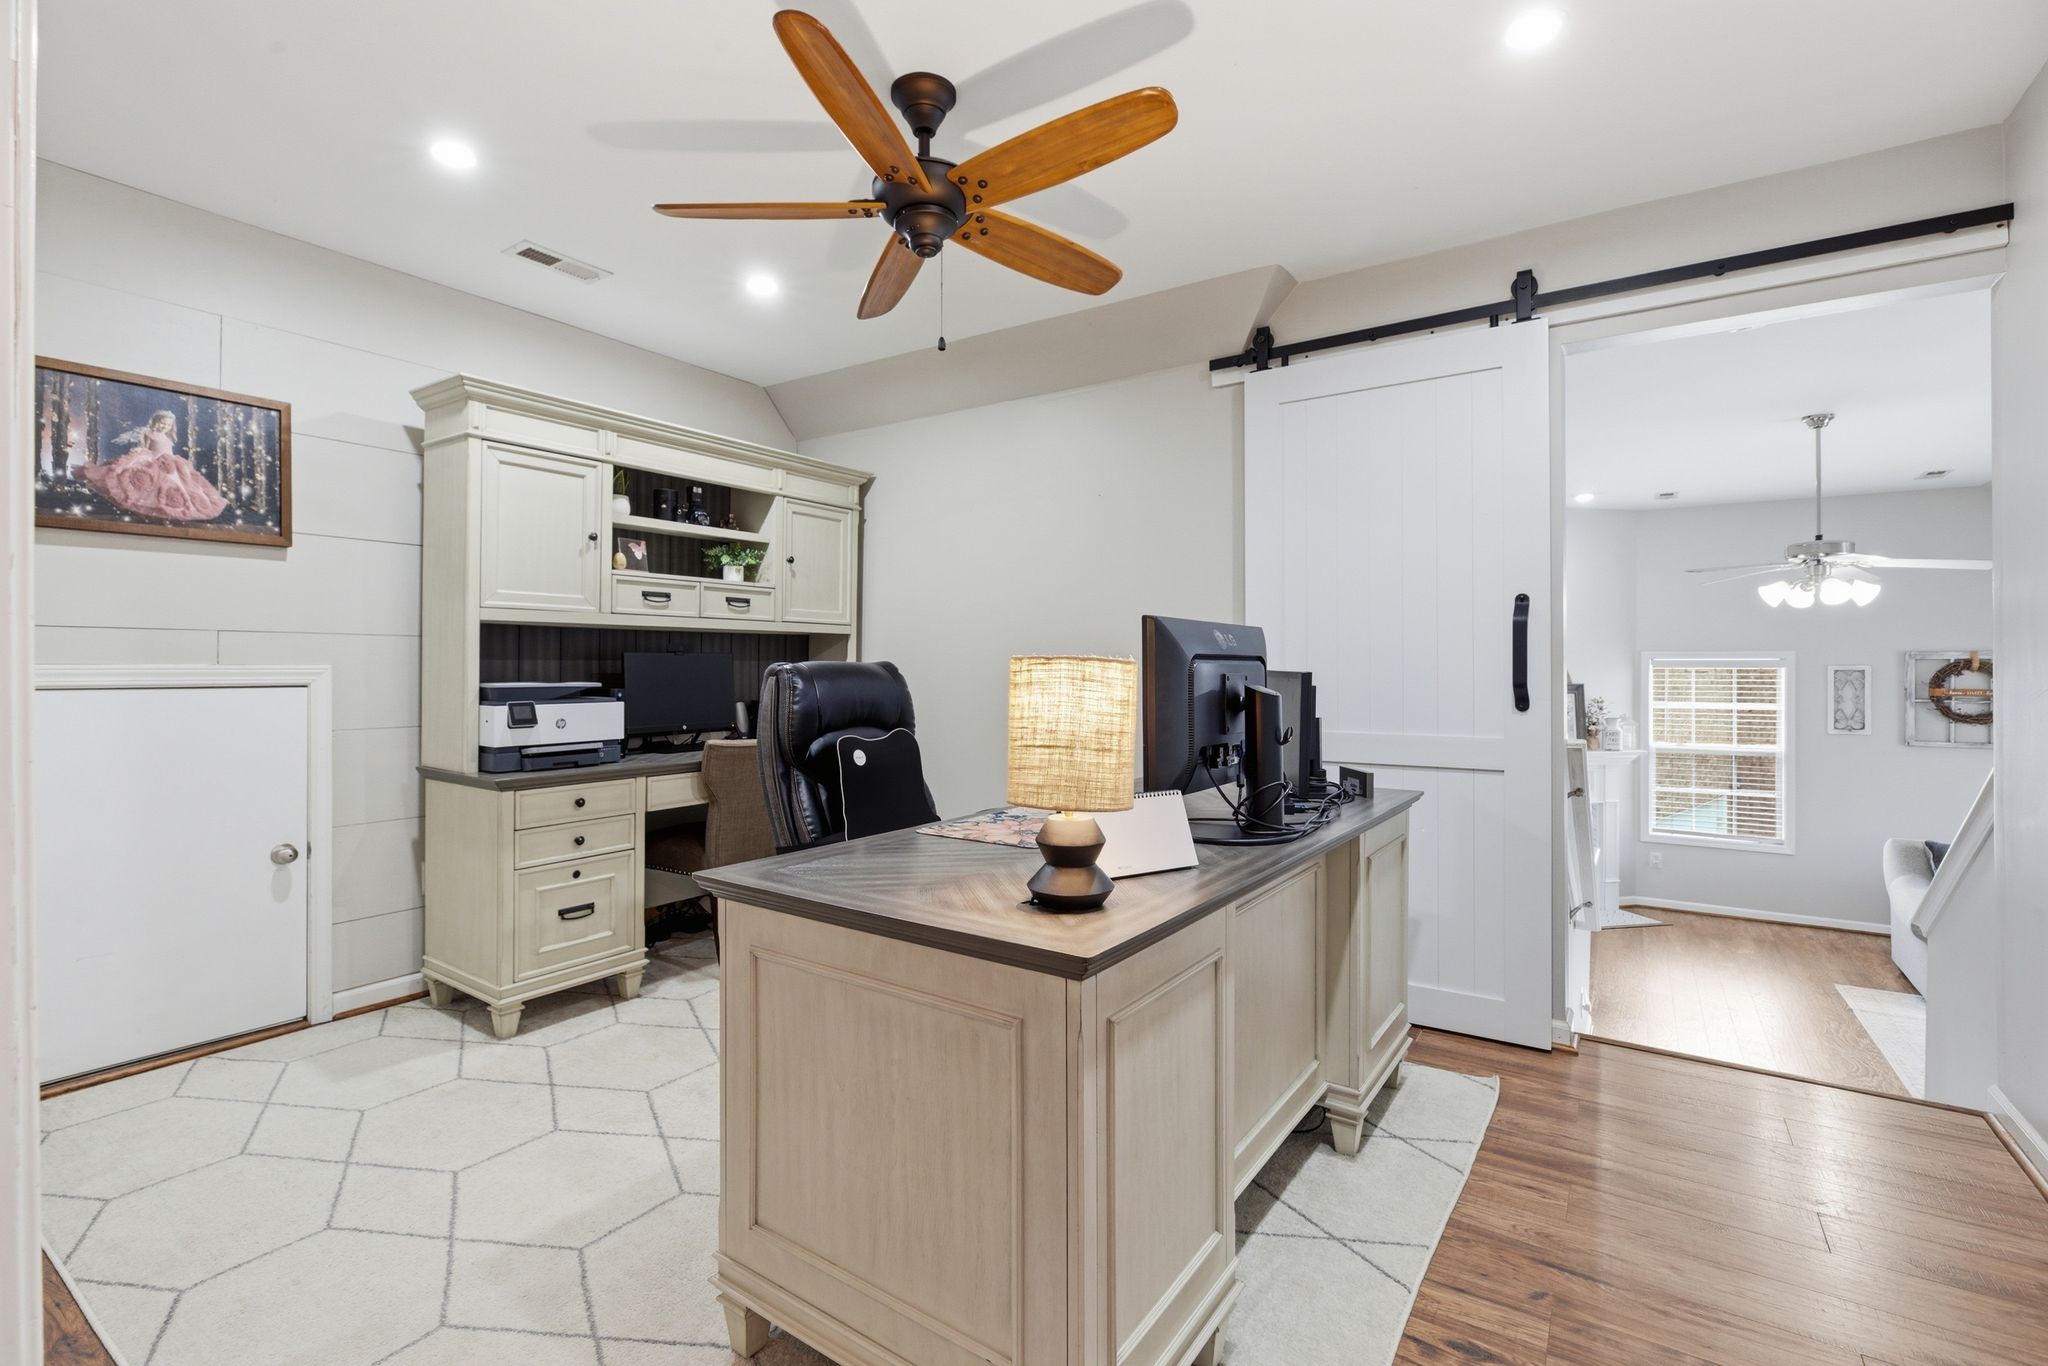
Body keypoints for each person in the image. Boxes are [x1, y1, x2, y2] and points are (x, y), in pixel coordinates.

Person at [80, 409, 228, 521]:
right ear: (155, 421)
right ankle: (149, 509)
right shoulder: (148, 433)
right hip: (155, 462)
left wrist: (171, 462)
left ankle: (171, 510)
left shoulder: (168, 437)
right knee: (152, 486)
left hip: (172, 464)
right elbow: (145, 448)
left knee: (182, 487)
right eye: (162, 423)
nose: (165, 426)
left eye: (168, 425)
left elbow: (169, 451)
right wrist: (140, 456)